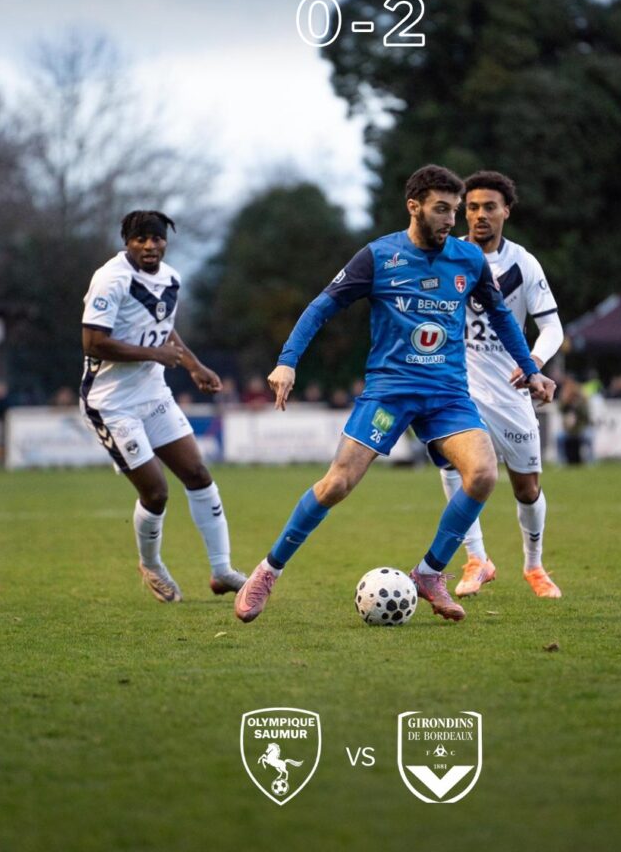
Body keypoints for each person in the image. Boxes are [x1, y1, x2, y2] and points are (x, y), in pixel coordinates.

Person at [234, 165, 555, 625]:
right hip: (390, 394)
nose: (451, 220)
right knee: (337, 483)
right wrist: (288, 360)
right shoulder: (379, 256)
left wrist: (531, 368)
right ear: (414, 207)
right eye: (441, 209)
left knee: (483, 474)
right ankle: (268, 571)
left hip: (447, 394)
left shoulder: (468, 259)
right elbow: (322, 306)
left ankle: (429, 573)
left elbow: (502, 317)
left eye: (455, 210)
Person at [81, 210, 245, 603]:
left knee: (198, 473)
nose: (149, 246)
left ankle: (222, 570)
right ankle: (152, 566)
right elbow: (93, 342)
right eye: (140, 239)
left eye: (156, 239)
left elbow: (163, 327)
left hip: (154, 395)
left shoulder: (171, 278)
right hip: (112, 404)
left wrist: (194, 365)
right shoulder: (111, 279)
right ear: (127, 242)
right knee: (156, 492)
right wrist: (155, 354)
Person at [440, 171, 565, 600]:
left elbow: (552, 327)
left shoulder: (523, 263)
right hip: (459, 388)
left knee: (526, 487)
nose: (480, 215)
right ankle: (477, 559)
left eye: (489, 207)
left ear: (506, 211)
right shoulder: (448, 256)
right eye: (472, 207)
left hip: (511, 392)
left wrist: (534, 364)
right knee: (457, 470)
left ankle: (534, 566)